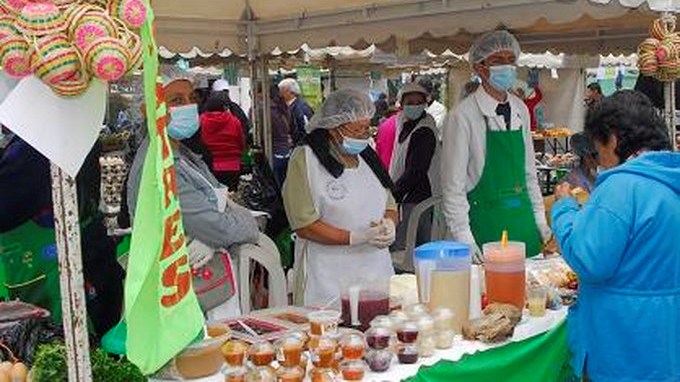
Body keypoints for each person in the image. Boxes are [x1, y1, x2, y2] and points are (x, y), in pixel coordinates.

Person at [551, 90, 680, 381]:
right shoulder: (669, 179)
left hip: (622, 339)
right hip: (664, 336)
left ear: (614, 139)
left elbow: (590, 260)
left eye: (599, 151)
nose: (599, 162)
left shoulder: (622, 185)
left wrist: (564, 210)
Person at [127, 65, 259, 320]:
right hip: (182, 291)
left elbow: (224, 212)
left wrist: (226, 223)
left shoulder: (184, 155)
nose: (188, 106)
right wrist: (246, 224)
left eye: (191, 99)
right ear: (148, 110)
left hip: (205, 285)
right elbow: (221, 228)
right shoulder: (162, 166)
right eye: (176, 100)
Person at [441, 30, 551, 262]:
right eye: (498, 61)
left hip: (522, 221)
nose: (507, 67)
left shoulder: (520, 108)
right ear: (480, 68)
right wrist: (463, 237)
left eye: (511, 60)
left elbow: (529, 173)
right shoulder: (462, 116)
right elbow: (453, 186)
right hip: (484, 224)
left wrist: (540, 219)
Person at [0, 135, 125, 338]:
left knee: (74, 339)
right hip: (84, 258)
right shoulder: (67, 134)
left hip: (62, 272)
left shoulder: (30, 150)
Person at [283, 89, 397, 306]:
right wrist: (355, 237)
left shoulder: (367, 155)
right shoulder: (306, 159)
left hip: (375, 272)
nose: (364, 135)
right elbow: (304, 224)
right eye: (357, 130)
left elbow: (389, 203)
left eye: (367, 129)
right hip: (327, 277)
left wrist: (390, 224)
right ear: (335, 129)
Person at [389, 83, 439, 271]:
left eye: (419, 102)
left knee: (417, 247)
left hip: (421, 196)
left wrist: (394, 193)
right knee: (409, 246)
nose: (414, 105)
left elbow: (416, 171)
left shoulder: (424, 130)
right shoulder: (405, 124)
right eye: (410, 102)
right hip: (408, 196)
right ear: (401, 104)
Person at [199, 91, 245, 190]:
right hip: (232, 165)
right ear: (225, 106)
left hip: (210, 165)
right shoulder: (234, 120)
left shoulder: (201, 120)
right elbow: (241, 141)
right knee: (232, 195)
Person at [270, 85, 294, 186]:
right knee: (284, 183)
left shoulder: (269, 110)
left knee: (275, 185)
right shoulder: (285, 108)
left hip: (274, 151)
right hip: (286, 150)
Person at [279, 78, 314, 146]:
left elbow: (306, 130)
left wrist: (297, 144)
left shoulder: (300, 107)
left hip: (301, 147)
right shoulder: (290, 106)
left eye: (281, 90)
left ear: (290, 92)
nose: (279, 94)